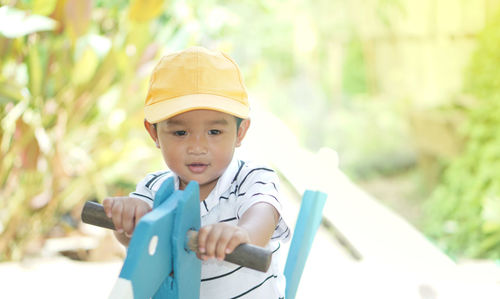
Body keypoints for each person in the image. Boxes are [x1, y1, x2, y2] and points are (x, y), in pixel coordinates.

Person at [103, 46, 290, 298]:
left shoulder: (252, 178)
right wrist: (128, 221)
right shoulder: (154, 188)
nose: (197, 147)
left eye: (214, 132)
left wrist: (243, 234)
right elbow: (139, 243)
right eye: (180, 133)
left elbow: (263, 216)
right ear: (154, 133)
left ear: (240, 132)